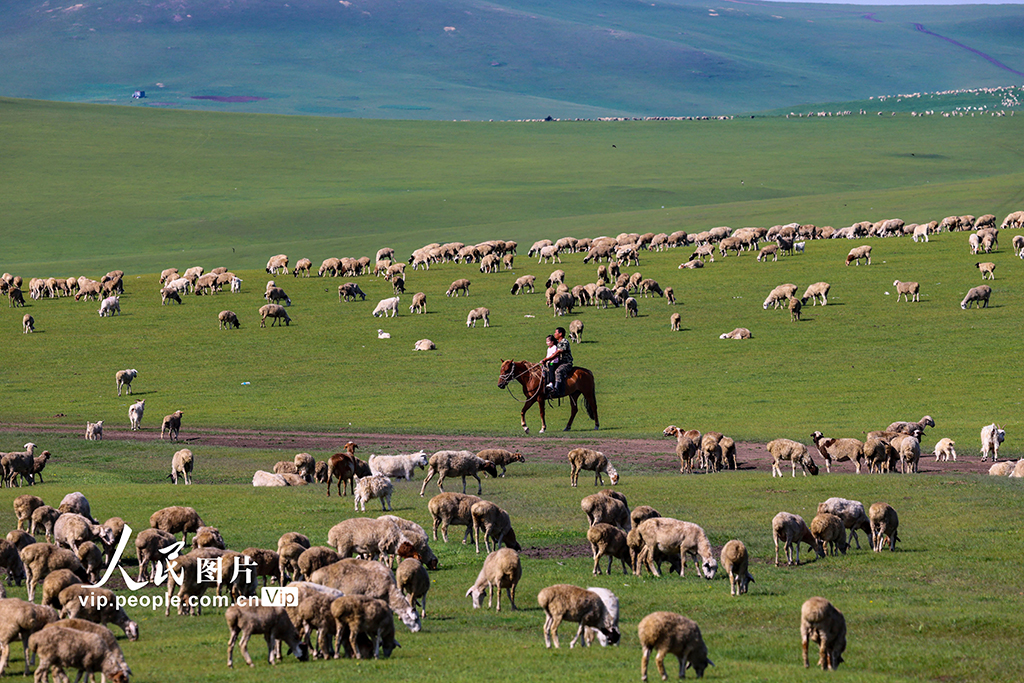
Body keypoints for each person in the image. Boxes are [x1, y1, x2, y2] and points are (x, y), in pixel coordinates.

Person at [543, 327, 574, 398]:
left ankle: (556, 390)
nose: (554, 334)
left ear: (560, 334)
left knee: (558, 371)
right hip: (558, 363)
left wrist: (547, 359)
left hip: (566, 363)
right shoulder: (557, 343)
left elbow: (557, 353)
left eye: (556, 332)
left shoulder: (564, 342)